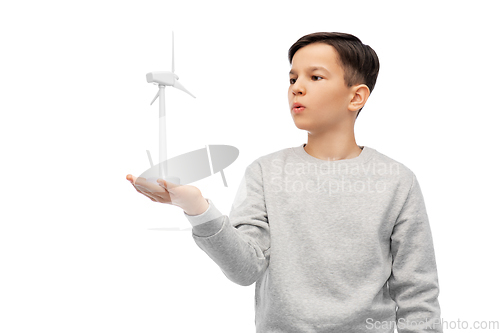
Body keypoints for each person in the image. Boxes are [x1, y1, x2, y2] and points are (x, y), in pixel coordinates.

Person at [126, 32, 443, 333]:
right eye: (292, 78)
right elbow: (245, 269)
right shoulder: (266, 172)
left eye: (315, 77)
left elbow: (418, 295)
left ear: (356, 96)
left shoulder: (397, 180)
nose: (296, 88)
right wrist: (196, 207)